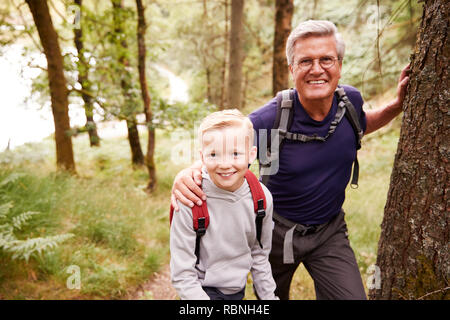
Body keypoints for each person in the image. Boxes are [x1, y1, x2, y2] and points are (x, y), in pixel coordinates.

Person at [171, 20, 410, 300]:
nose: (317, 69)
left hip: (330, 231)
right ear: (292, 69)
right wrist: (187, 173)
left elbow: (361, 124)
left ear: (340, 65)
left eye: (326, 59)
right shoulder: (272, 119)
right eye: (305, 61)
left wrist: (396, 106)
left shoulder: (350, 103)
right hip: (276, 234)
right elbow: (225, 147)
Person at [170, 109, 278, 300]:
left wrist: (270, 298)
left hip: (236, 290)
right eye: (214, 155)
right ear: (202, 158)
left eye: (235, 154)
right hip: (199, 292)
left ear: (251, 154)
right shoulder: (189, 200)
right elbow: (182, 274)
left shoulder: (261, 199)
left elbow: (260, 255)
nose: (225, 164)